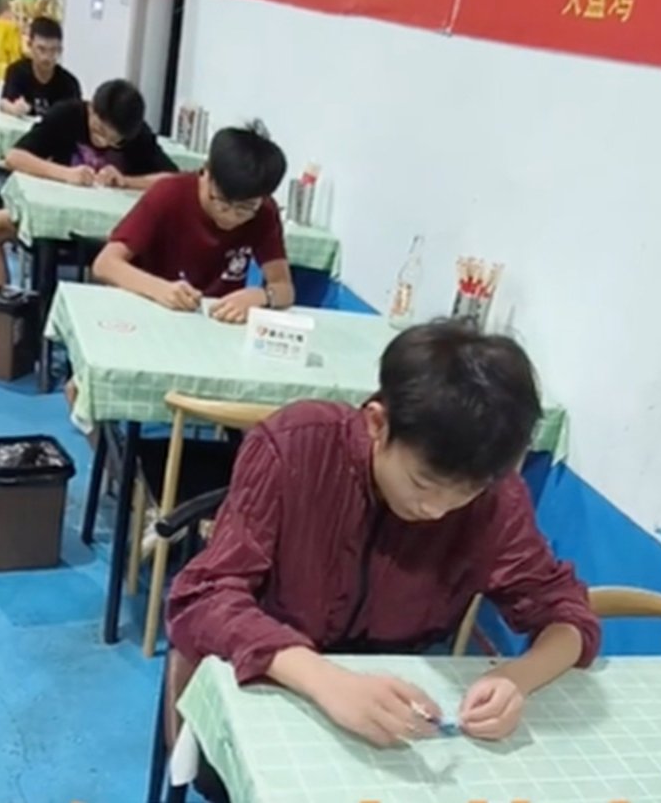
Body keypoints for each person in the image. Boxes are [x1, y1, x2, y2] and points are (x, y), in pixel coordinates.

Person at [164, 322, 599, 799]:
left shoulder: (496, 500)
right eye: (422, 484)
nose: (437, 510)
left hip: (395, 699)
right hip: (269, 671)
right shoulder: (296, 445)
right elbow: (203, 597)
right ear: (377, 424)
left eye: (466, 493)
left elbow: (565, 614)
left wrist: (516, 678)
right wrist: (324, 680)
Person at [0, 79, 176, 347]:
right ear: (91, 109)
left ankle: (110, 339)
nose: (103, 141)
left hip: (110, 236)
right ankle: (0, 324)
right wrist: (65, 174)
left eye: (114, 141)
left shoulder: (135, 132)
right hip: (52, 221)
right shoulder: (67, 115)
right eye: (98, 130)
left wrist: (127, 181)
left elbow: (172, 180)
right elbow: (15, 157)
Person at [92, 121, 294, 324]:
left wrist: (261, 296)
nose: (231, 216)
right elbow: (105, 264)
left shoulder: (264, 212)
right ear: (206, 173)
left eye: (244, 208)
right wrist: (160, 289)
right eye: (222, 202)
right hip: (150, 311)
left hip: (215, 320)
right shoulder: (169, 194)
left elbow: (284, 287)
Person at [0, 16, 81, 117]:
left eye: (53, 50)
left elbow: (77, 118)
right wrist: (14, 109)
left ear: (60, 50)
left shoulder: (70, 84)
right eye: (41, 49)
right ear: (30, 45)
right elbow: (4, 103)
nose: (47, 57)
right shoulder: (16, 72)